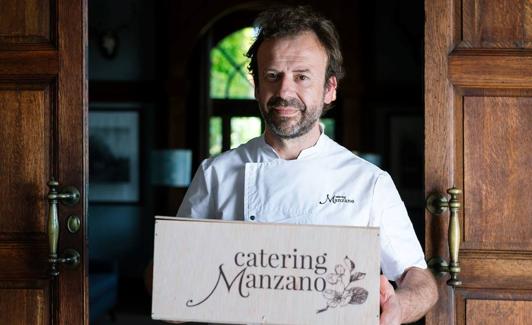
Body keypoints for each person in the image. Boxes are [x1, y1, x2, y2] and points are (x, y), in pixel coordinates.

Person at [175, 5, 437, 324]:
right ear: (257, 86)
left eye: (302, 77)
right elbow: (172, 272)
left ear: (329, 89)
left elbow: (419, 279)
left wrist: (399, 307)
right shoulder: (216, 173)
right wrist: (172, 294)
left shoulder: (369, 182)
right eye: (272, 76)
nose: (284, 91)